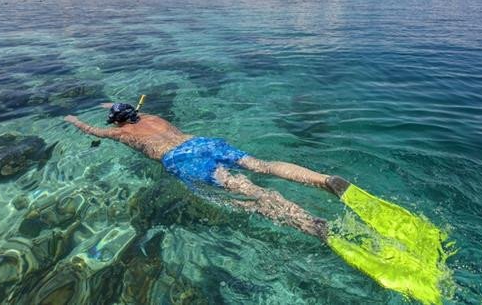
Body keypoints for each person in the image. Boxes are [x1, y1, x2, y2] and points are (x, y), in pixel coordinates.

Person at [64, 102, 351, 239]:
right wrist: (112, 104)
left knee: (249, 193)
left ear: (116, 122)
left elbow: (93, 130)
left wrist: (74, 119)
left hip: (182, 159)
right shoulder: (153, 117)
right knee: (260, 166)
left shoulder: (121, 134)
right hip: (201, 142)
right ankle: (324, 180)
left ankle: (312, 225)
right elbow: (125, 113)